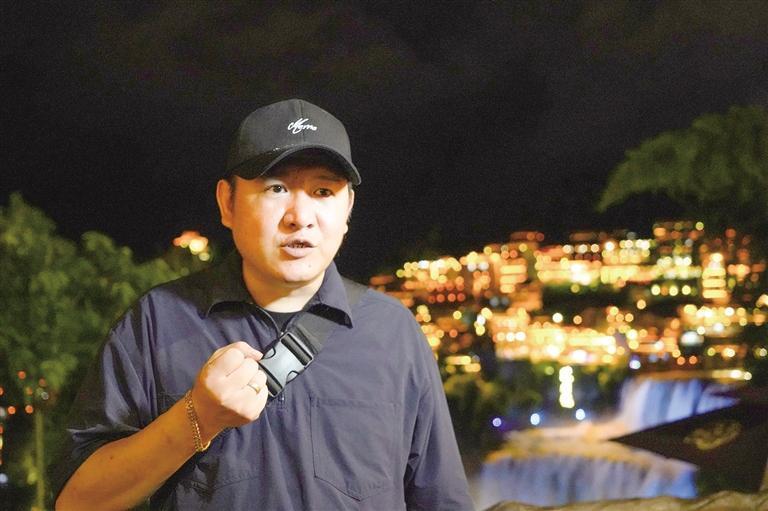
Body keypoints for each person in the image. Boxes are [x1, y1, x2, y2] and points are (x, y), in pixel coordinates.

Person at [54, 99, 474, 510]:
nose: (300, 216)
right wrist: (196, 417)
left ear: (347, 208)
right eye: (276, 188)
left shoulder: (393, 331)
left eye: (323, 191)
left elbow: (441, 499)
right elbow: (77, 501)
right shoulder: (157, 322)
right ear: (227, 203)